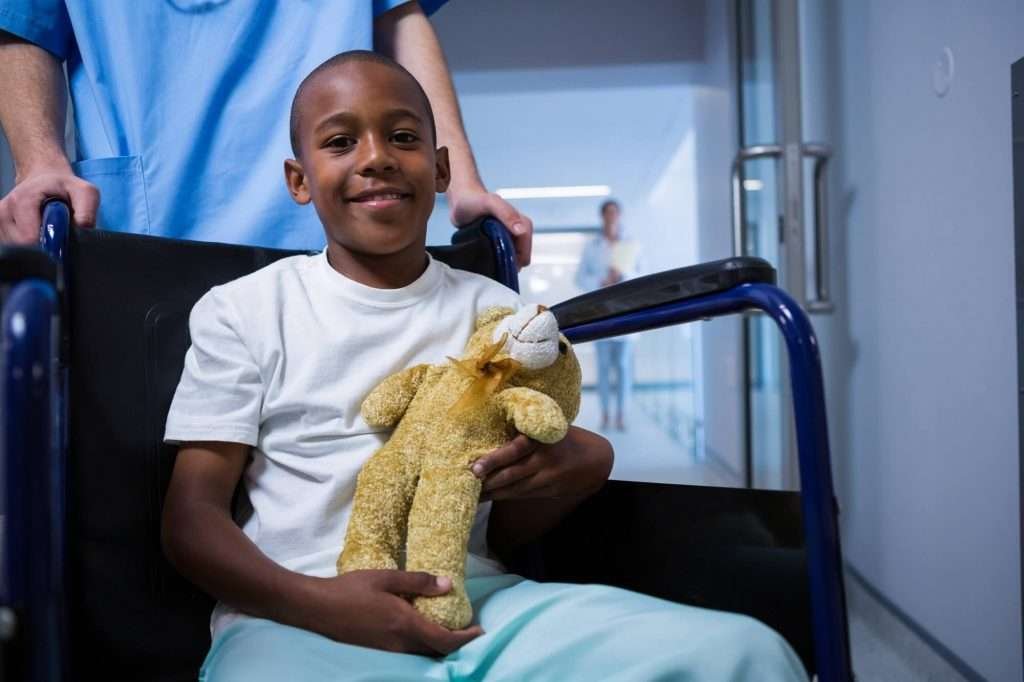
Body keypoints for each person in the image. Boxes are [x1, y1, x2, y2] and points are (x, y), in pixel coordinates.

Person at [161, 51, 807, 681]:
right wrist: (321, 604)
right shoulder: (243, 310)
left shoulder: (499, 314)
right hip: (293, 616)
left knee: (744, 653)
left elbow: (509, 521)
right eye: (339, 142)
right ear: (298, 180)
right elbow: (190, 521)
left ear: (440, 169)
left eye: (403, 136)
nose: (377, 157)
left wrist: (578, 469)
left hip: (474, 600)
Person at [0, 1, 534, 266]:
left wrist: (462, 180)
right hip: (155, 224)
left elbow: (399, 13)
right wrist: (39, 161)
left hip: (332, 233)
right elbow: (27, 20)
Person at [575, 199, 639, 431]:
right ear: (602, 216)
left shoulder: (631, 245)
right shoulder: (592, 246)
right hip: (601, 313)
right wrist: (600, 281)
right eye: (607, 213)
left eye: (615, 213)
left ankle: (622, 414)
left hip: (625, 313)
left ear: (619, 215)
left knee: (623, 367)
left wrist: (622, 275)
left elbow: (642, 276)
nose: (611, 217)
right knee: (603, 367)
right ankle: (605, 414)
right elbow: (580, 278)